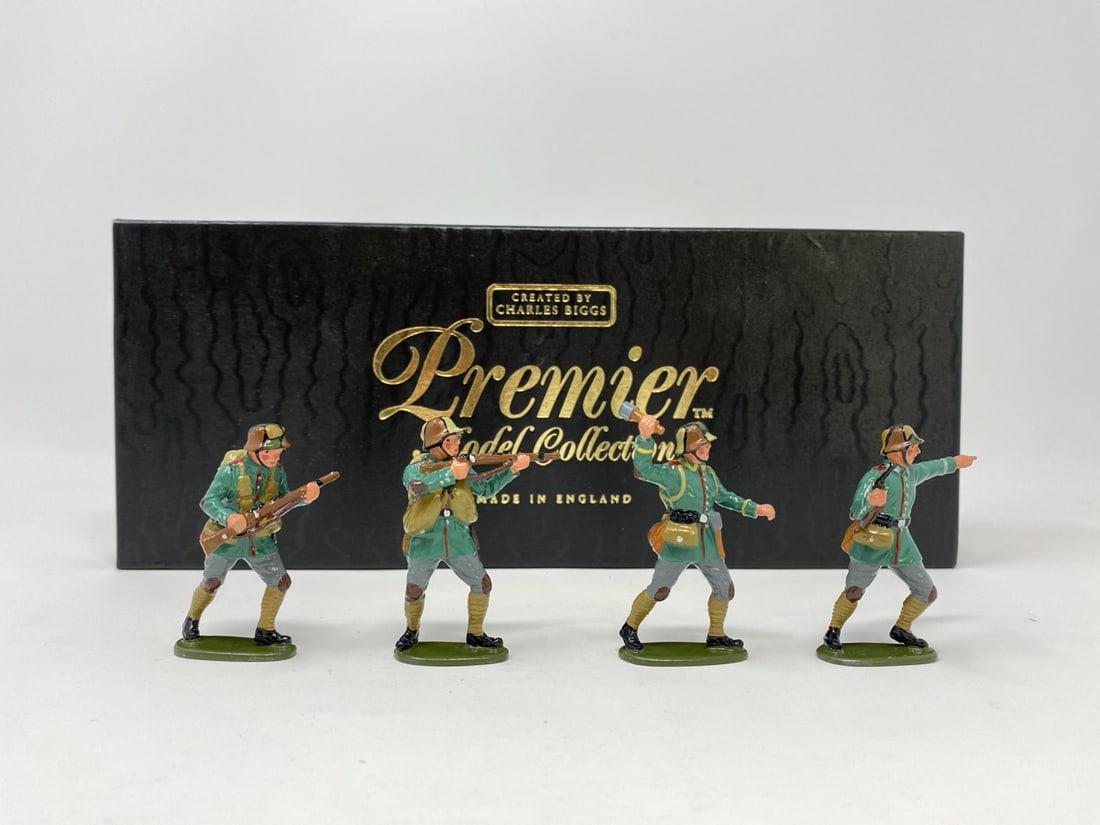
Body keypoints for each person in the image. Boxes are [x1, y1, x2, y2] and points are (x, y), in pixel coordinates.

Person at [619, 415, 776, 651]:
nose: (708, 447)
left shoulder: (708, 473)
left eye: (708, 443)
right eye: (703, 444)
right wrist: (644, 437)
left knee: (724, 587)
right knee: (660, 589)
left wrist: (755, 508)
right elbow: (644, 470)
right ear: (690, 448)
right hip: (678, 541)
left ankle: (716, 634)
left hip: (707, 542)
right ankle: (629, 627)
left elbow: (725, 497)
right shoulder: (674, 472)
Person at [824, 424, 977, 650]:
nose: (918, 451)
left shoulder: (910, 473)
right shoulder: (874, 476)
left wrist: (954, 462)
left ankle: (902, 628)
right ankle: (833, 630)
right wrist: (870, 502)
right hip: (872, 540)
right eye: (913, 447)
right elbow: (855, 512)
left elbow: (932, 467)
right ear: (897, 450)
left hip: (901, 542)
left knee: (927, 591)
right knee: (854, 591)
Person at [396, 416, 530, 652]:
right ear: (435, 443)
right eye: (450, 440)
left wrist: (511, 470)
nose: (456, 444)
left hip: (458, 538)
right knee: (414, 589)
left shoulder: (462, 465)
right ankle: (411, 631)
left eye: (457, 439)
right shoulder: (417, 466)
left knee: (482, 583)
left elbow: (486, 488)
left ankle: (475, 634)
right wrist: (450, 474)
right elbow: (415, 484)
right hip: (424, 539)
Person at [181, 423, 320, 645]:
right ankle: (192, 619)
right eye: (268, 453)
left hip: (260, 540)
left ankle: (265, 630)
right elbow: (209, 501)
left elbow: (284, 501)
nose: (274, 458)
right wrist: (228, 517)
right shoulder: (232, 470)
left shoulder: (277, 470)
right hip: (227, 540)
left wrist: (305, 497)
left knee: (280, 582)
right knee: (211, 582)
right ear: (254, 450)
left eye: (278, 453)